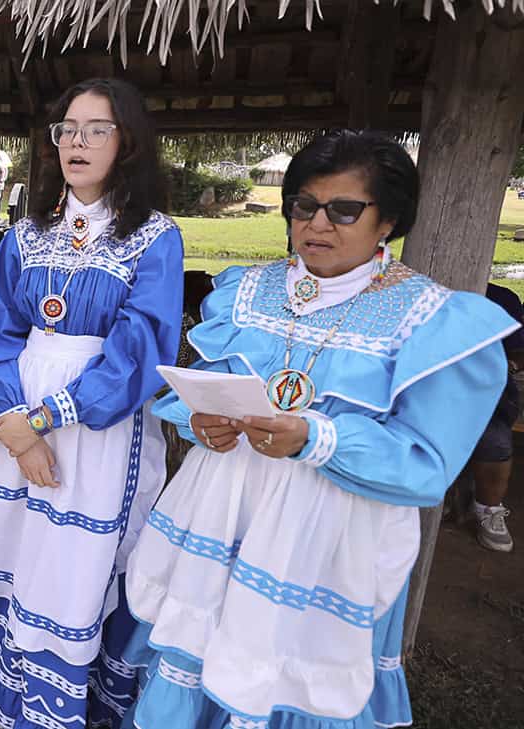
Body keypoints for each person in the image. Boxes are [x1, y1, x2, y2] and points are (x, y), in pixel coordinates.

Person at [123, 130, 517, 729]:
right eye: (304, 205)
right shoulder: (248, 292)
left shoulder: (430, 320)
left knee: (288, 671)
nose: (318, 224)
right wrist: (201, 419)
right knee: (205, 645)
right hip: (225, 504)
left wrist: (318, 439)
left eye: (344, 210)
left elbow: (424, 467)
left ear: (387, 220)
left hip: (329, 533)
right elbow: (209, 381)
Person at [0, 78, 182, 729]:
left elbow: (141, 348)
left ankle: (58, 691)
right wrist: (16, 425)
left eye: (95, 128)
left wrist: (44, 420)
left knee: (73, 554)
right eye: (67, 129)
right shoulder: (26, 235)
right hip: (14, 414)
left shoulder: (153, 237)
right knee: (14, 535)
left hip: (97, 423)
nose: (77, 141)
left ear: (125, 141)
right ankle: (5, 669)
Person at [468, 282, 523, 552]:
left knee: (494, 440)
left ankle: (487, 508)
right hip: (421, 384)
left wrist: (505, 365)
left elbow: (518, 350)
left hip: (484, 388)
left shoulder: (501, 298)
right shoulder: (409, 287)